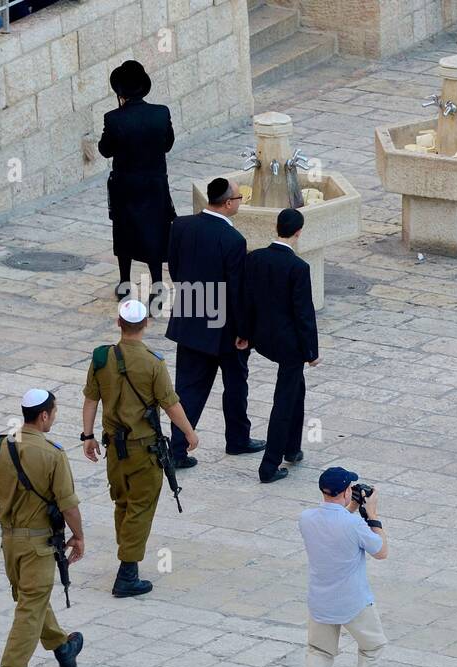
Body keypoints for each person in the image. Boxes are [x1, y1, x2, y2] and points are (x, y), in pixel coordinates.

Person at [82, 299, 198, 597]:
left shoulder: (101, 358)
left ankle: (126, 554)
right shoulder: (152, 362)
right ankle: (127, 571)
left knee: (122, 502)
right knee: (140, 507)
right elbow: (170, 404)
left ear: (119, 323)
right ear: (146, 324)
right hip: (143, 449)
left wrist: (87, 436)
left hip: (113, 449)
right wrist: (189, 433)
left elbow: (91, 400)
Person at [0, 389, 84, 667]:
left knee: (31, 597)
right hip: (39, 544)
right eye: (54, 413)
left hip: (10, 542)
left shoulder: (0, 446)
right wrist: (78, 537)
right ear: (43, 416)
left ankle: (62, 646)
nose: (54, 417)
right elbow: (68, 504)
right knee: (29, 607)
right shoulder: (53, 453)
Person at [165, 177, 262, 468]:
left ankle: (177, 450)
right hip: (224, 330)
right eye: (239, 197)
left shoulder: (181, 226)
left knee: (187, 388)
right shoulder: (233, 240)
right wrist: (245, 331)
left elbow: (175, 268)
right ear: (229, 203)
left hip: (190, 318)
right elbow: (237, 290)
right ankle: (237, 439)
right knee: (235, 384)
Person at [295, 467, 388, 667]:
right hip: (354, 602)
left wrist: (351, 508)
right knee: (373, 647)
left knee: (319, 651)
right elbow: (381, 551)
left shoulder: (306, 518)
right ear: (347, 491)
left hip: (320, 600)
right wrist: (373, 515)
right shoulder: (355, 524)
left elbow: (334, 526)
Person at [242, 208, 320, 484]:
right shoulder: (298, 268)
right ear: (298, 232)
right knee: (284, 401)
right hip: (289, 345)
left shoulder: (256, 258)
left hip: (262, 337)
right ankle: (270, 464)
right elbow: (303, 312)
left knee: (296, 389)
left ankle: (292, 447)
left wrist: (244, 333)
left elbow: (246, 299)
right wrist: (311, 352)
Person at [98, 60, 175, 309]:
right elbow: (167, 144)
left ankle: (124, 284)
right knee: (154, 233)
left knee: (124, 233)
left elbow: (105, 150)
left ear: (121, 92)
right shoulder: (161, 113)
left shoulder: (113, 119)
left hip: (126, 186)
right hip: (155, 185)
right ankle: (157, 287)